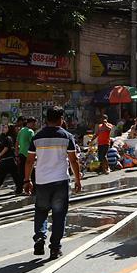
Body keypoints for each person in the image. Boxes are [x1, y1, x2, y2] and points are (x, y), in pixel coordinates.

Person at [24, 106, 82, 259]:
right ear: (61, 119)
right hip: (60, 181)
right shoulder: (67, 136)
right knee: (59, 215)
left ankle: (40, 237)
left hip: (42, 181)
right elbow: (73, 160)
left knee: (41, 211)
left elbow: (29, 161)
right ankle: (55, 247)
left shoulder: (37, 137)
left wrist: (27, 180)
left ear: (46, 119)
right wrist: (78, 179)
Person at [0, 124, 21, 196]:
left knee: (13, 176)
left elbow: (6, 148)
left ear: (9, 129)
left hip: (9, 160)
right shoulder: (4, 137)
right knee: (5, 175)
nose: (3, 128)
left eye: (6, 127)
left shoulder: (8, 138)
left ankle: (19, 189)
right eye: (3, 127)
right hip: (5, 160)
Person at [17, 117, 37, 191]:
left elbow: (17, 143)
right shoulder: (30, 131)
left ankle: (19, 189)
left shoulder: (21, 131)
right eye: (34, 123)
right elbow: (33, 144)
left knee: (22, 173)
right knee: (32, 172)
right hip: (28, 155)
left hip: (21, 154)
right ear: (31, 123)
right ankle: (34, 189)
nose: (35, 125)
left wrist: (17, 154)